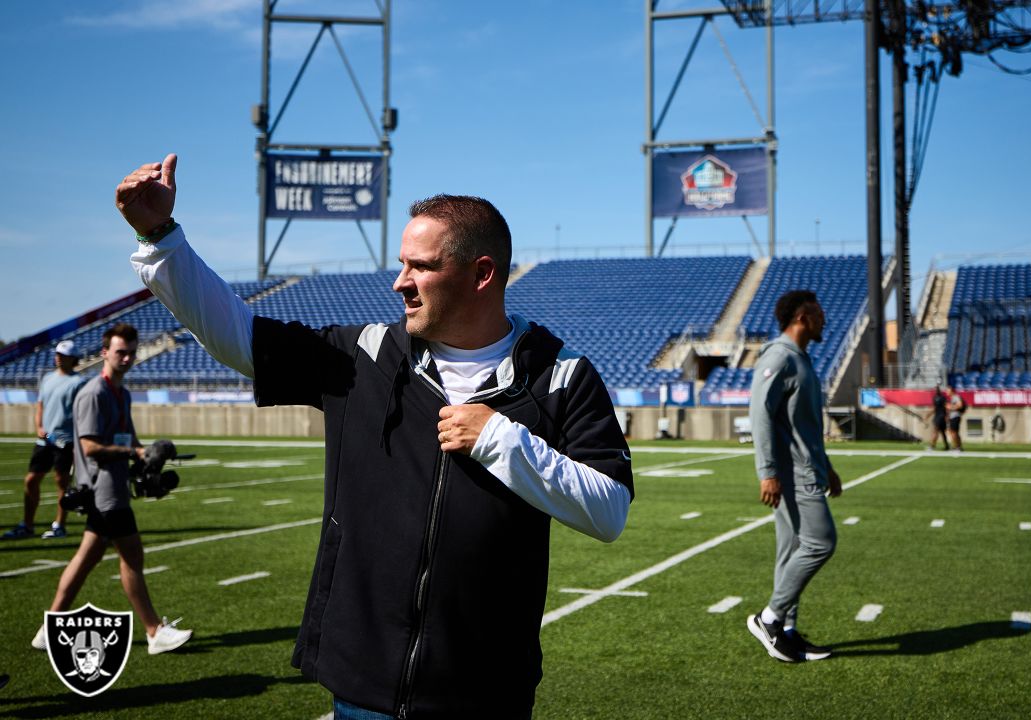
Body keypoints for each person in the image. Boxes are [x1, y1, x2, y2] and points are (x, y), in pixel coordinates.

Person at [118, 154, 633, 718]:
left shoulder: (562, 375)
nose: (400, 282)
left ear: (482, 274)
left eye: (420, 267)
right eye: (401, 263)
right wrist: (160, 237)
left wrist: (501, 440)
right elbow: (242, 337)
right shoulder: (364, 355)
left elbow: (608, 511)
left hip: (485, 689)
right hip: (364, 681)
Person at [31, 323, 193, 656]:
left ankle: (49, 628)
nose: (128, 357)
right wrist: (135, 453)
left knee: (87, 558)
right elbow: (90, 446)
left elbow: (129, 440)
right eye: (121, 351)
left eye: (132, 351)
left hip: (113, 487)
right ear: (105, 352)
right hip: (101, 489)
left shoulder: (122, 392)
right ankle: (154, 631)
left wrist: (147, 459)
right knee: (131, 555)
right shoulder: (94, 393)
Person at [746, 290, 842, 663]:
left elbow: (806, 427)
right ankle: (769, 619)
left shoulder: (801, 360)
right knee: (821, 542)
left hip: (807, 471)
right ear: (802, 316)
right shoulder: (779, 357)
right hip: (790, 475)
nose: (824, 319)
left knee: (789, 551)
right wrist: (767, 472)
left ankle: (786, 632)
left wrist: (827, 467)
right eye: (819, 312)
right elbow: (760, 415)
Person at [3, 340, 88, 540]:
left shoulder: (79, 382)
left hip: (65, 440)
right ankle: (27, 524)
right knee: (31, 480)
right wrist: (39, 426)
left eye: (63, 355)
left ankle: (59, 525)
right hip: (44, 441)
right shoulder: (48, 378)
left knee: (62, 483)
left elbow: (81, 413)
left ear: (72, 359)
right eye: (57, 354)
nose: (58, 358)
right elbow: (40, 405)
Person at [928, 384, 950, 451]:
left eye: (937, 389)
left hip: (940, 417)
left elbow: (946, 407)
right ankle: (946, 446)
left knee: (936, 431)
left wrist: (947, 416)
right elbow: (934, 408)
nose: (936, 390)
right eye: (935, 389)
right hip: (938, 416)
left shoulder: (943, 398)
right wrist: (929, 414)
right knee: (942, 432)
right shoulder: (934, 398)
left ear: (939, 390)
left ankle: (932, 446)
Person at [946, 386, 967, 451]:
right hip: (953, 417)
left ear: (951, 391)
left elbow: (960, 405)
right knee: (953, 432)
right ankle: (958, 446)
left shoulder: (956, 397)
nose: (947, 392)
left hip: (955, 416)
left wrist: (950, 407)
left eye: (948, 391)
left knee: (954, 432)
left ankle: (957, 447)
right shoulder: (952, 398)